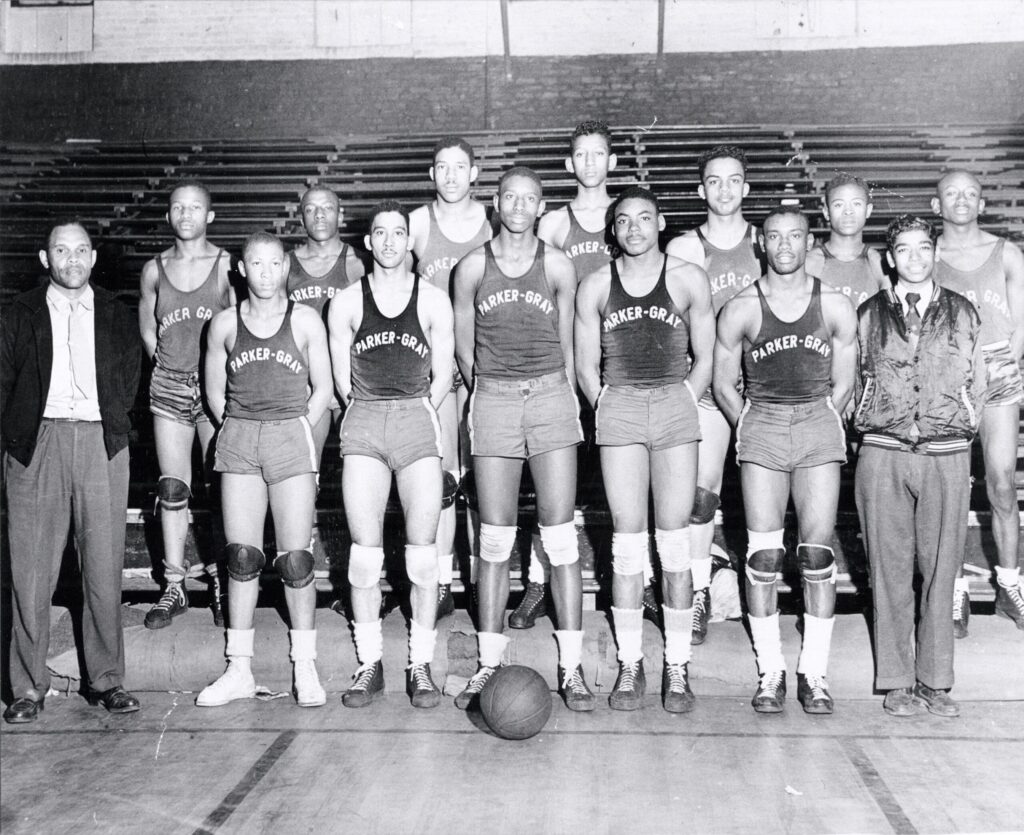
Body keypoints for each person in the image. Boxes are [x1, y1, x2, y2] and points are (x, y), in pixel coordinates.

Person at [452, 166, 595, 711]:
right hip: (493, 398)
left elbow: (566, 347)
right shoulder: (470, 269)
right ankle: (490, 663)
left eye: (529, 198)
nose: (518, 205)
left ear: (541, 207)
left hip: (551, 397)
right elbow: (465, 352)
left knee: (559, 537)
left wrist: (549, 393)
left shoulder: (557, 265)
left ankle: (572, 666)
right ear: (495, 202)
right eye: (509, 196)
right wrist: (491, 392)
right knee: (493, 537)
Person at [517, 120, 662, 631]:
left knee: (630, 486)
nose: (590, 164)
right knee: (555, 485)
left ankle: (641, 582)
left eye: (599, 154)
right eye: (580, 155)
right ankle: (538, 581)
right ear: (569, 164)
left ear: (612, 162)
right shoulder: (555, 224)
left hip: (623, 359)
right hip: (567, 361)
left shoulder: (629, 217)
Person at [575, 187, 715, 712]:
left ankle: (677, 665)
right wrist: (608, 404)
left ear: (661, 224)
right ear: (613, 231)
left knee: (675, 546)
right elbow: (586, 368)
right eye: (624, 221)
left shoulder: (686, 278)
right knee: (628, 545)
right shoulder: (595, 285)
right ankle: (631, 661)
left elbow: (706, 355)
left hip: (675, 406)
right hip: (622, 409)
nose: (634, 228)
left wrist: (684, 398)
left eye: (644, 219)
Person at [714, 206, 857, 714]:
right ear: (761, 242)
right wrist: (750, 423)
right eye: (774, 237)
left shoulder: (835, 304)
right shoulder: (741, 307)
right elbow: (722, 383)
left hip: (817, 422)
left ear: (808, 241)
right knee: (763, 557)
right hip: (764, 426)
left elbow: (844, 382)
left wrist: (820, 419)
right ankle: (771, 669)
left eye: (794, 236)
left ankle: (813, 672)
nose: (784, 246)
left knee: (817, 556)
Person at [2, 221, 142, 723]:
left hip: (100, 441)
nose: (72, 259)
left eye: (81, 250)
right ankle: (27, 687)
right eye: (62, 250)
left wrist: (113, 424)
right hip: (38, 441)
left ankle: (108, 680)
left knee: (103, 567)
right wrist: (17, 444)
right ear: (46, 259)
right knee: (31, 571)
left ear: (94, 257)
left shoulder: (115, 313)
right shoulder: (20, 313)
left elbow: (129, 376)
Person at [196, 232, 333, 708]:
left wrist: (297, 429)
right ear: (241, 268)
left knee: (295, 560)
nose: (267, 274)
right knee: (241, 557)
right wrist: (234, 426)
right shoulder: (224, 325)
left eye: (276, 264)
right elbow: (214, 391)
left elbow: (324, 388)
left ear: (286, 268)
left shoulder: (306, 321)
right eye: (258, 264)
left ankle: (306, 666)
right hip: (240, 439)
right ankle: (238, 668)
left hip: (288, 438)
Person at [855, 215, 984, 717]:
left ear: (935, 253)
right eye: (903, 249)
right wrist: (873, 417)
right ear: (889, 257)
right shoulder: (868, 313)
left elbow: (979, 379)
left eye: (923, 248)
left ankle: (935, 680)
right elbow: (847, 381)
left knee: (940, 569)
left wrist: (959, 421)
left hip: (946, 453)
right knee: (888, 571)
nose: (914, 257)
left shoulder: (964, 312)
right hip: (883, 451)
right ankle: (896, 680)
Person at [329, 201, 455, 708]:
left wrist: (418, 411)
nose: (388, 242)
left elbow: (444, 374)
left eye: (397, 232)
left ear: (410, 241)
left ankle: (420, 664)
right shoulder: (345, 302)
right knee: (363, 560)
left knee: (423, 558)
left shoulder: (432, 298)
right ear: (368, 241)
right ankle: (368, 664)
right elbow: (341, 380)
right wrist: (365, 411)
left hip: (415, 419)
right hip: (364, 419)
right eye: (378, 233)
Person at [666, 145, 763, 646]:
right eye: (714, 181)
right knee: (701, 495)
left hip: (765, 389)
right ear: (701, 189)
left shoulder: (767, 242)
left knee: (763, 503)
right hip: (709, 386)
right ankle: (700, 589)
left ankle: (762, 598)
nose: (724, 190)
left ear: (746, 188)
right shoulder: (684, 247)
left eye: (733, 180)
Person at [138, 181, 234, 629]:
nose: (187, 214)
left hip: (216, 390)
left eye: (196, 207)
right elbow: (148, 331)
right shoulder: (154, 269)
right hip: (170, 387)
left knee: (219, 489)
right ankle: (174, 585)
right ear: (168, 215)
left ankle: (220, 580)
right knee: (173, 488)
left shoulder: (225, 265)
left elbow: (243, 324)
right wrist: (169, 370)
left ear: (210, 215)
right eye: (178, 207)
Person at [932, 170, 1024, 636]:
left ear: (982, 203)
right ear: (937, 205)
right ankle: (953, 588)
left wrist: (1005, 358)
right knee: (950, 491)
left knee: (1002, 482)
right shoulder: (929, 255)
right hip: (946, 378)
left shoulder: (1006, 251)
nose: (961, 200)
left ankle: (1010, 583)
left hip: (998, 373)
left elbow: (1022, 323)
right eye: (952, 193)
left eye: (970, 193)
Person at [409, 136, 492, 618]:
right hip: (433, 362)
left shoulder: (492, 222)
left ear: (474, 173)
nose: (451, 176)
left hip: (481, 359)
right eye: (442, 167)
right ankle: (440, 583)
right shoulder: (418, 224)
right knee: (441, 479)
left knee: (479, 479)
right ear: (432, 174)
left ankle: (482, 581)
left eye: (460, 167)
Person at [288, 185, 365, 460]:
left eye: (327, 208)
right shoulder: (285, 265)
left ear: (340, 216)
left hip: (350, 380)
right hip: (305, 385)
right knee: (305, 470)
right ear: (301, 219)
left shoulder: (358, 263)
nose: (319, 215)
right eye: (310, 209)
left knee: (359, 469)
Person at [805, 174, 888, 310]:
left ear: (868, 210)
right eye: (838, 204)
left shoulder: (876, 263)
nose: (848, 211)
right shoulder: (810, 263)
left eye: (856, 203)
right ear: (826, 212)